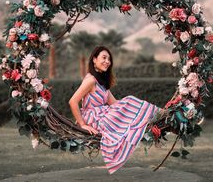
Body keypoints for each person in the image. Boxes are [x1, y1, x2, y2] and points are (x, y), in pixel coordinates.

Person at [69, 45, 165, 174]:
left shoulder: (101, 83)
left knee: (127, 102)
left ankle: (153, 118)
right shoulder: (90, 80)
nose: (107, 61)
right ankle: (160, 114)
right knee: (129, 100)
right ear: (94, 59)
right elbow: (73, 101)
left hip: (102, 116)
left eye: (109, 59)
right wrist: (82, 124)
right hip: (93, 118)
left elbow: (115, 104)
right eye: (104, 57)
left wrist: (135, 111)